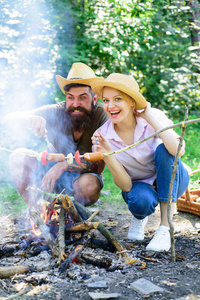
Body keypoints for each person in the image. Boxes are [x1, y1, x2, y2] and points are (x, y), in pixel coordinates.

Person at [90, 73, 190, 252]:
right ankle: (139, 216)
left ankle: (166, 227)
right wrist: (108, 154)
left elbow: (178, 150)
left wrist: (150, 118)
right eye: (105, 100)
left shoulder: (153, 117)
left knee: (163, 149)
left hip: (173, 179)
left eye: (117, 99)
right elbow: (126, 186)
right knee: (139, 201)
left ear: (131, 102)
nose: (110, 106)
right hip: (140, 186)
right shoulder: (103, 136)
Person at [2, 62, 108, 208]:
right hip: (48, 173)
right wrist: (27, 119)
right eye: (70, 97)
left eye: (82, 97)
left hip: (84, 177)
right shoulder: (57, 110)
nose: (75, 104)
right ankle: (38, 213)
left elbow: (99, 165)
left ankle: (76, 215)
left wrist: (63, 165)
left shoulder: (104, 116)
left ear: (94, 99)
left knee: (89, 186)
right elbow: (7, 120)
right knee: (18, 156)